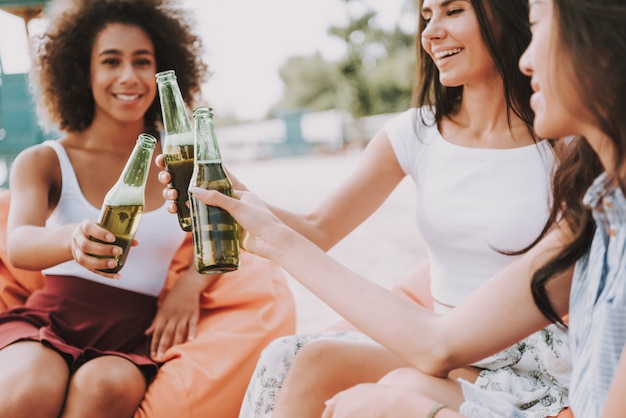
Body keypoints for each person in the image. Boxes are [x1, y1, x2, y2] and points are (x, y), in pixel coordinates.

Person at [185, 0, 626, 415]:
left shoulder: (574, 151)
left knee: (401, 387)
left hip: (523, 350)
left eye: (454, 10)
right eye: (426, 14)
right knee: (292, 355)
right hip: (449, 332)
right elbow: (319, 226)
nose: (432, 31)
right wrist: (230, 195)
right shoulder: (417, 132)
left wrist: (277, 241)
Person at [0, 0, 295, 417]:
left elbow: (230, 227)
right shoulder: (45, 160)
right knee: (28, 387)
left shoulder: (184, 160)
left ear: (163, 72)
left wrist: (189, 287)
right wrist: (74, 239)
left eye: (143, 62)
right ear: (82, 71)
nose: (129, 76)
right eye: (110, 61)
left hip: (134, 336)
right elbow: (19, 244)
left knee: (102, 389)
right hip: (52, 319)